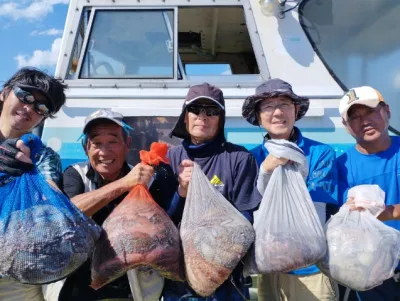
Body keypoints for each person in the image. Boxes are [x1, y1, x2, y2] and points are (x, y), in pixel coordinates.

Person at [53, 108, 177, 301]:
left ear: (127, 144)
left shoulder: (147, 179)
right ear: (86, 147)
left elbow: (167, 224)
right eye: (96, 143)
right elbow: (67, 213)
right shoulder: (75, 174)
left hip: (133, 285)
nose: (104, 151)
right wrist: (124, 184)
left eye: (113, 141)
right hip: (82, 284)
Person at [162, 82, 262, 301]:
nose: (203, 117)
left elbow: (247, 218)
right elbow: (162, 219)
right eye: (195, 110)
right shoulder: (169, 158)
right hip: (180, 279)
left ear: (221, 119)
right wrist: (181, 192)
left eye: (212, 111)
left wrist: (218, 254)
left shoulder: (239, 158)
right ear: (185, 116)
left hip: (226, 275)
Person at [241, 78, 338, 301]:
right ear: (258, 115)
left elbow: (315, 207)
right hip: (269, 267)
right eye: (267, 106)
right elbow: (249, 207)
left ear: (296, 110)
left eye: (284, 104)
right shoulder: (250, 158)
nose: (277, 112)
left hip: (313, 268)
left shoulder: (321, 153)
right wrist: (264, 172)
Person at [0, 67, 67, 300]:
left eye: (41, 107)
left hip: (17, 274)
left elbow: (53, 204)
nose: (29, 108)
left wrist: (31, 177)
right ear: (5, 92)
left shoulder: (43, 157)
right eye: (24, 95)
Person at [337, 86, 400, 301]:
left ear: (387, 111)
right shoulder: (340, 166)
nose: (364, 121)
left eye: (371, 111)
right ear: (346, 126)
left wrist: (389, 212)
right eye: (354, 117)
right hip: (368, 275)